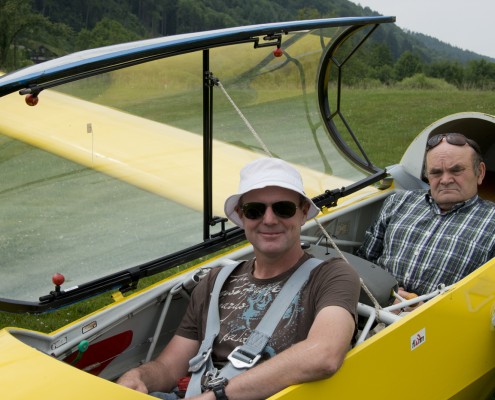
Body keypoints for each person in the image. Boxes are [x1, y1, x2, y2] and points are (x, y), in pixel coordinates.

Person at [117, 157, 361, 399]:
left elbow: (324, 355)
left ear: (303, 212)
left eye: (283, 208)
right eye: (255, 210)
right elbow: (169, 368)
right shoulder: (215, 281)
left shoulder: (332, 276)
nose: (269, 219)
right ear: (241, 216)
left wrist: (218, 396)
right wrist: (139, 377)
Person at [357, 133, 495, 299]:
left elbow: (486, 301)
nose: (445, 180)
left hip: (443, 321)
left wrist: (427, 311)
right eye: (436, 173)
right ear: (427, 176)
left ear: (479, 172)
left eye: (456, 170)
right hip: (373, 311)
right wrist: (383, 296)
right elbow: (364, 262)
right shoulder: (398, 202)